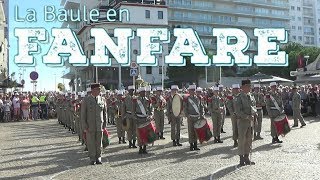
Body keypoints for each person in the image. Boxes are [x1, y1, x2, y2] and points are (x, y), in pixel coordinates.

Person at [81, 83, 107, 165]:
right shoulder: (86, 100)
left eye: (99, 89)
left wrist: (105, 123)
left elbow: (104, 113)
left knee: (99, 142)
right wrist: (85, 126)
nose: (99, 91)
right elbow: (83, 114)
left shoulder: (102, 99)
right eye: (97, 89)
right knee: (91, 143)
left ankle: (99, 157)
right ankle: (92, 158)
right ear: (93, 90)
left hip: (100, 124)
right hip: (90, 125)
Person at [234, 79, 256, 166]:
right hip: (242, 121)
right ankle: (241, 158)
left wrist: (254, 114)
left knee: (249, 140)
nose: (250, 88)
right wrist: (247, 116)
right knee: (242, 140)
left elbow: (253, 106)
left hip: (250, 121)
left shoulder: (251, 96)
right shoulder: (239, 97)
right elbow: (238, 111)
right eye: (248, 86)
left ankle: (247, 157)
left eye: (250, 86)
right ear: (243, 87)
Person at [184, 85, 205, 151]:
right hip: (190, 117)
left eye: (193, 90)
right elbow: (185, 108)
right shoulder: (187, 99)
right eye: (191, 90)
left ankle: (195, 145)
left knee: (196, 131)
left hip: (197, 117)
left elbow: (201, 107)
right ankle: (191, 145)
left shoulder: (198, 98)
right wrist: (187, 115)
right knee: (191, 131)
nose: (192, 91)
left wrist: (202, 114)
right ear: (189, 91)